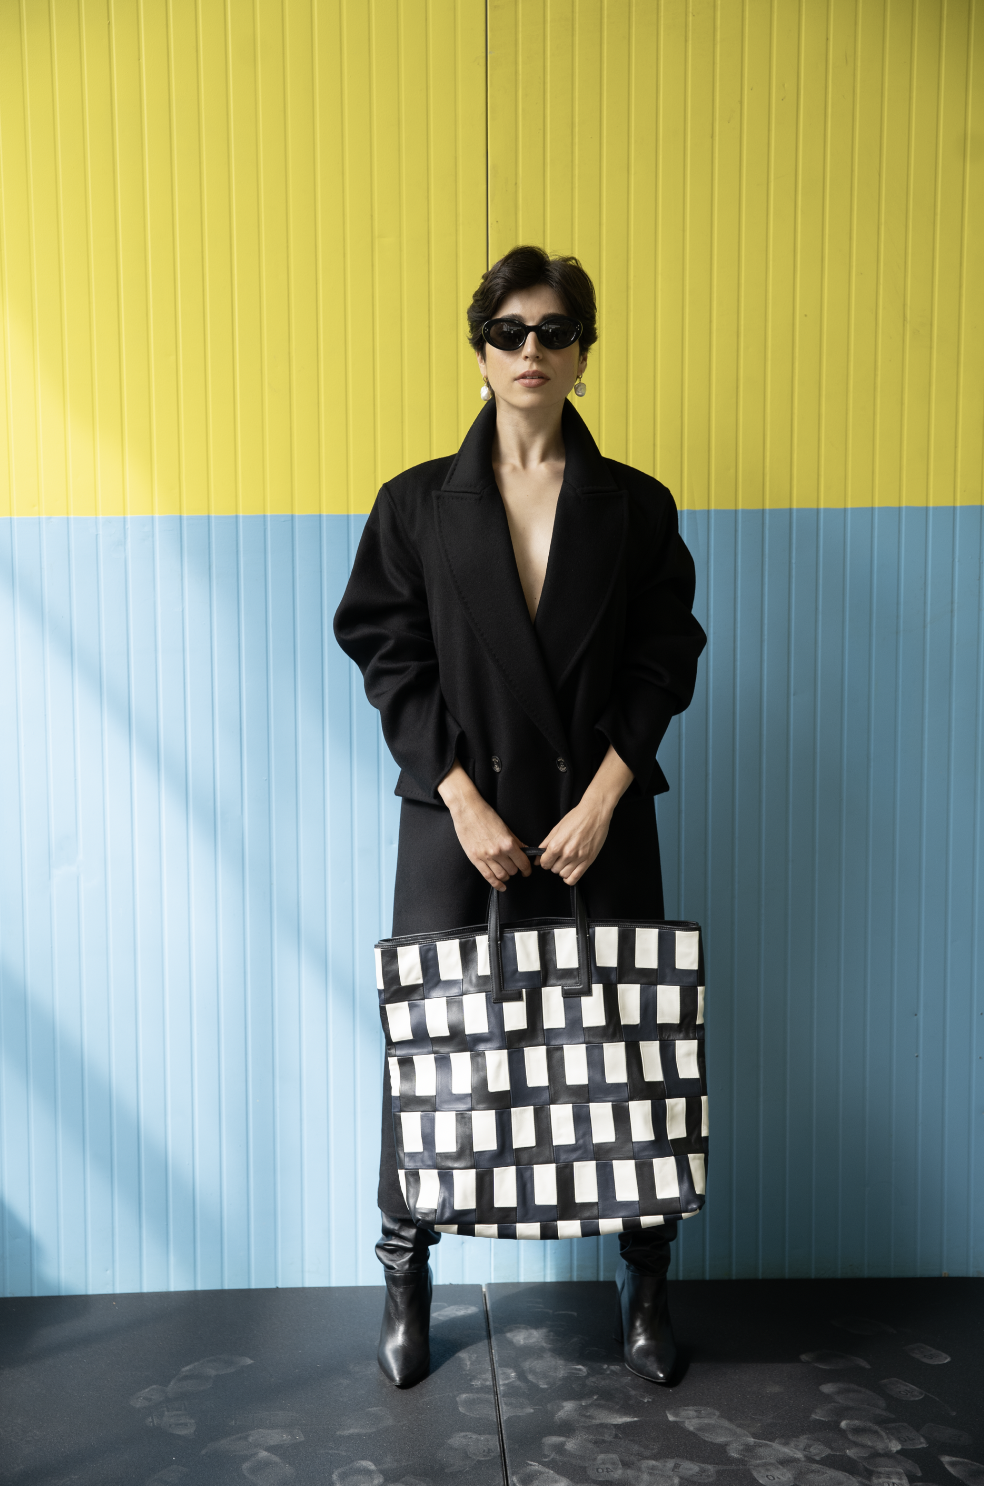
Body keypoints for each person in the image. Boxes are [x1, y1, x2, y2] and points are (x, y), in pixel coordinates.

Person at [334, 245, 706, 1390]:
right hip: (458, 816)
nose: (530, 351)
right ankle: (408, 1271)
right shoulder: (413, 505)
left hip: (598, 814)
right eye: (509, 331)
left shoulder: (638, 508)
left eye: (554, 331)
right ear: (480, 348)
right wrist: (458, 799)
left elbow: (665, 659)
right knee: (433, 1047)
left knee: (629, 1043)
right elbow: (386, 654)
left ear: (585, 354)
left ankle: (645, 1284)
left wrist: (605, 794)